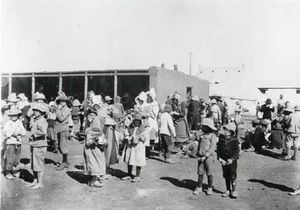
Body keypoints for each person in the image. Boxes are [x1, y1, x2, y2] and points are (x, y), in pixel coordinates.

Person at [193, 118, 218, 196]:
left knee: (209, 172)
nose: (202, 128)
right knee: (200, 172)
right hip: (201, 156)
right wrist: (197, 153)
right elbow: (199, 145)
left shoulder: (212, 136)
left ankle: (210, 187)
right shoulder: (201, 136)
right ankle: (199, 187)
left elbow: (212, 147)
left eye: (203, 127)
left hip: (208, 157)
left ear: (207, 127)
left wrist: (206, 155)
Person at [26, 103, 48, 189]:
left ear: (41, 112)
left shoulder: (42, 120)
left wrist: (34, 135)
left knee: (39, 164)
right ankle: (35, 180)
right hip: (35, 144)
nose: (35, 112)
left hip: (40, 145)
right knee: (34, 163)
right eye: (34, 110)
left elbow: (43, 131)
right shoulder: (35, 119)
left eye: (37, 111)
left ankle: (40, 182)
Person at [83, 108, 107, 187]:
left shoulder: (98, 129)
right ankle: (93, 180)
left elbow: (103, 138)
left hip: (98, 149)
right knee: (93, 163)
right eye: (90, 115)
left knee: (99, 162)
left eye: (94, 115)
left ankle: (96, 177)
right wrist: (93, 141)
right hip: (91, 149)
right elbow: (88, 142)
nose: (92, 117)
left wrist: (103, 142)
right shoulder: (88, 129)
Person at [122, 113, 147, 182]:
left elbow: (145, 137)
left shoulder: (142, 128)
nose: (137, 122)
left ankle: (137, 176)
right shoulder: (130, 127)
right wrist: (128, 137)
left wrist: (140, 138)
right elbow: (126, 133)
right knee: (130, 159)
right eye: (136, 120)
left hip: (139, 146)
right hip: (130, 145)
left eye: (138, 121)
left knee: (138, 160)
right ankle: (129, 174)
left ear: (140, 121)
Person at [217, 123, 240, 198]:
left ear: (231, 132)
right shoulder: (221, 139)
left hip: (232, 161)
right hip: (224, 161)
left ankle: (234, 190)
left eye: (227, 130)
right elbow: (218, 151)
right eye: (225, 130)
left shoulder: (234, 140)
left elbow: (237, 151)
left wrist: (232, 159)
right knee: (226, 175)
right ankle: (228, 190)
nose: (225, 131)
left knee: (232, 175)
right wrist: (220, 159)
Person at [2, 108, 26, 179]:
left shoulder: (19, 122)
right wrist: (13, 133)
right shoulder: (8, 123)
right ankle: (8, 171)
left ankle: (15, 170)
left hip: (18, 142)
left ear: (18, 115)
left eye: (15, 115)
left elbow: (23, 131)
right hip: (11, 142)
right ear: (10, 116)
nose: (14, 117)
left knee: (17, 157)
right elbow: (5, 132)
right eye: (12, 115)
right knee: (10, 157)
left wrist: (20, 133)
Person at [55, 94, 71, 170]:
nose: (62, 102)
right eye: (60, 101)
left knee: (63, 146)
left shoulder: (66, 109)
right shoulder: (62, 109)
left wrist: (57, 110)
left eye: (63, 101)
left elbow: (61, 118)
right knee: (61, 146)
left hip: (64, 129)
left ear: (66, 102)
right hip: (60, 129)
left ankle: (64, 162)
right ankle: (65, 161)